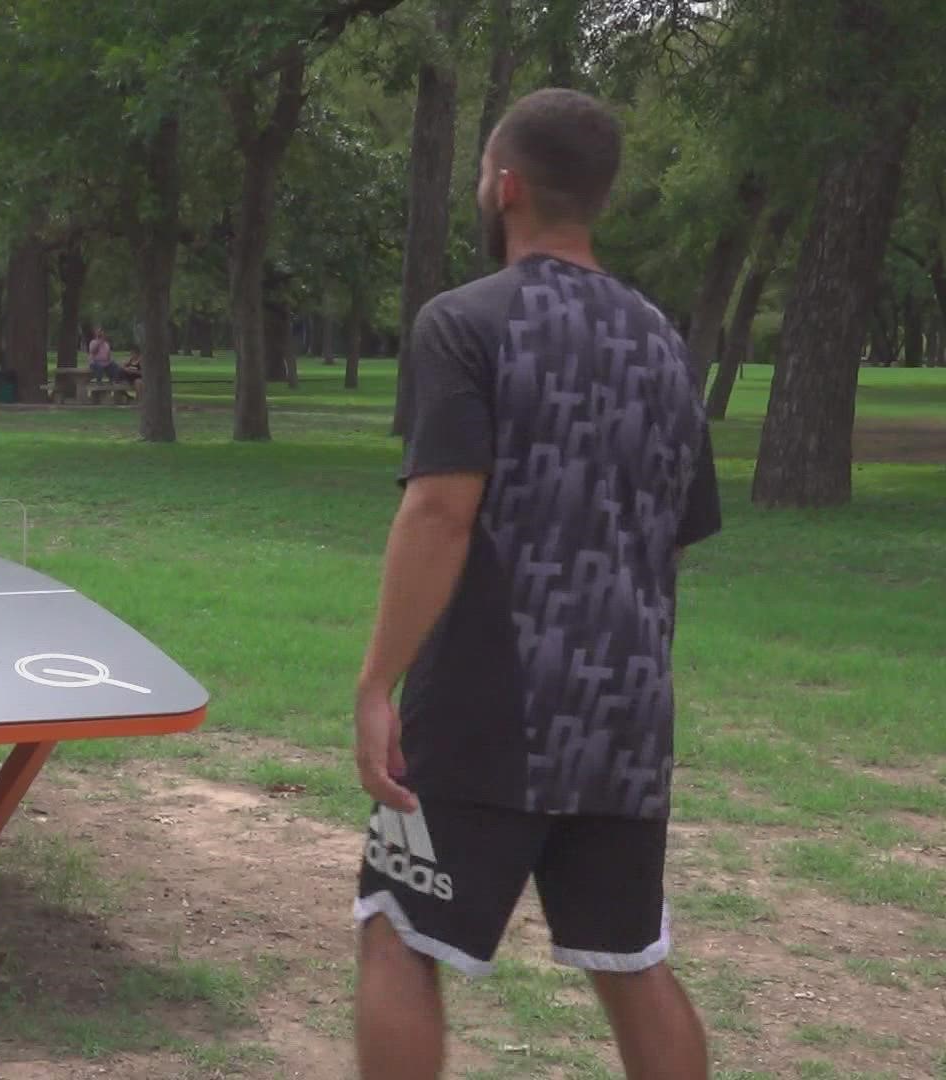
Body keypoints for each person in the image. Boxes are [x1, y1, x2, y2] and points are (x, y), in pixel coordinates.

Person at [348, 88, 722, 1080]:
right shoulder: (664, 344)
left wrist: (378, 682)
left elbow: (440, 511)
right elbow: (675, 533)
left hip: (485, 703)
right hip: (627, 712)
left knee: (398, 932)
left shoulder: (464, 323)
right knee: (633, 961)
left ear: (505, 186)